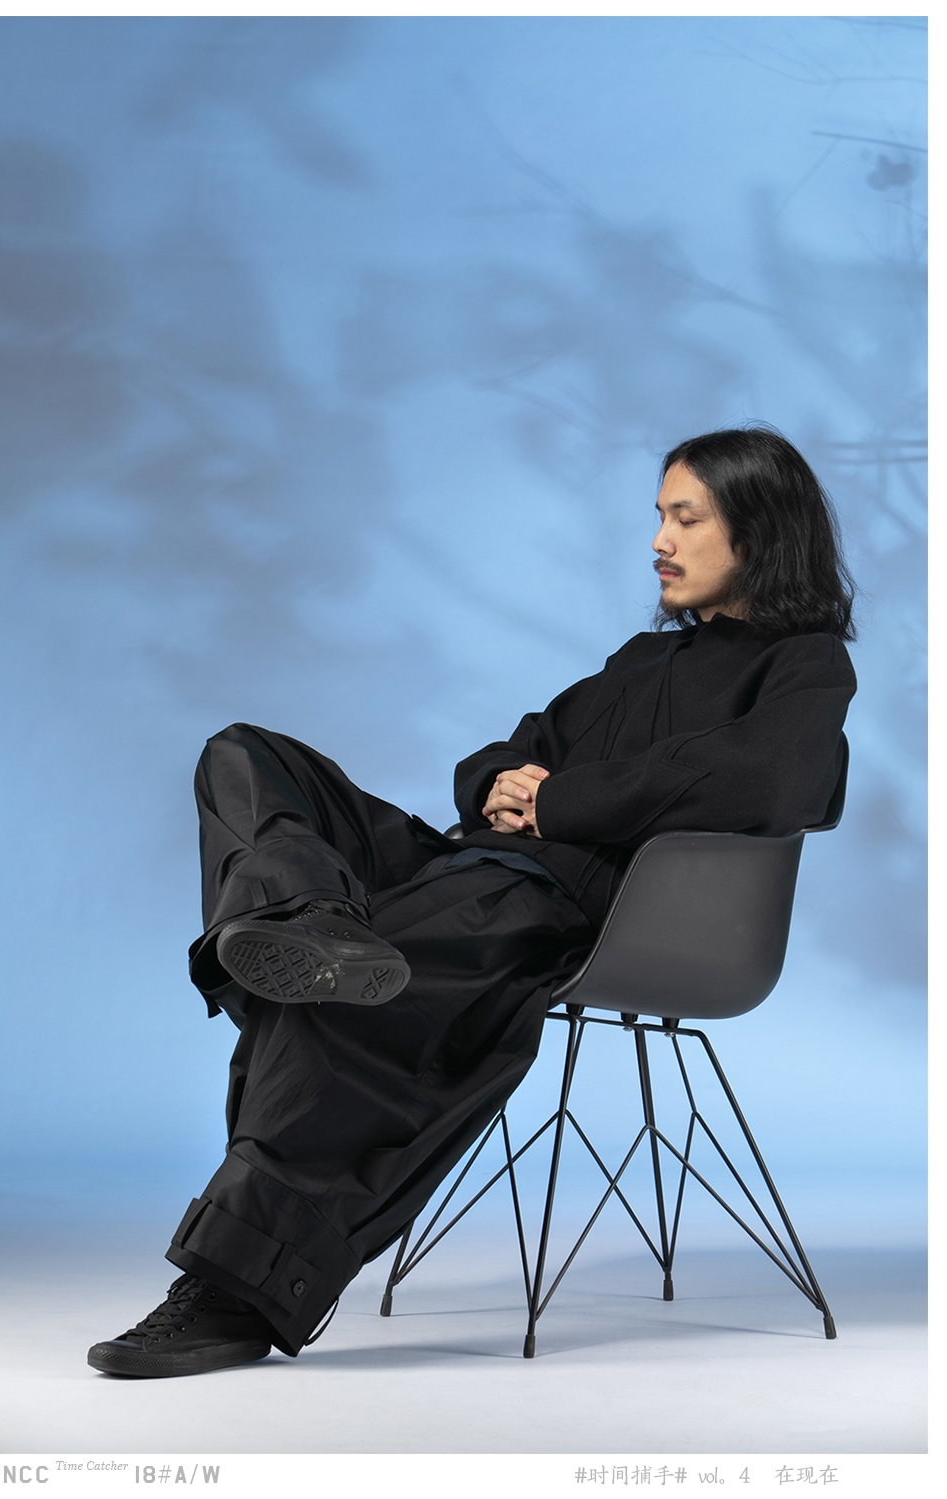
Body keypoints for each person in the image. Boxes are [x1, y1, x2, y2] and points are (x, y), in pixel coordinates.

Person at [87, 426, 857, 1378]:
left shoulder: (803, 663)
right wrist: (499, 782)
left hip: (548, 901)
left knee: (338, 997)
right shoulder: (638, 660)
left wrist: (558, 801)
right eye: (660, 516)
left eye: (684, 518)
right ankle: (307, 923)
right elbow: (514, 746)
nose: (658, 541)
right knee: (246, 755)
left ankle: (232, 1290)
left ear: (760, 529)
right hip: (462, 867)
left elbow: (772, 777)